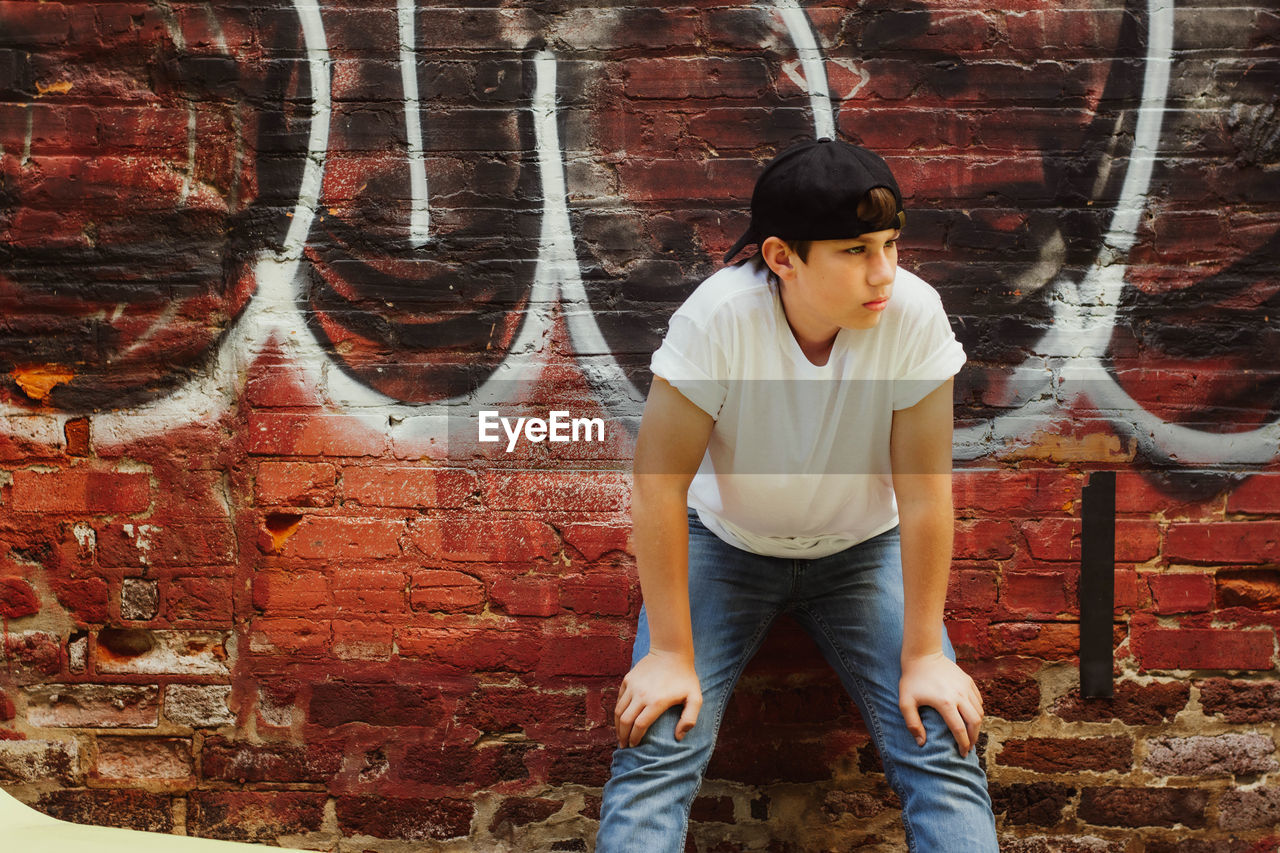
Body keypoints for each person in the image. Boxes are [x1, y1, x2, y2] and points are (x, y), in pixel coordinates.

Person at [594, 138, 999, 851]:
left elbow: (928, 494)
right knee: (658, 739)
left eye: (891, 243)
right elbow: (659, 485)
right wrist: (672, 655)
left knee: (941, 737)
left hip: (862, 552)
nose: (885, 272)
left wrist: (926, 653)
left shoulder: (912, 313)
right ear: (782, 257)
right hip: (724, 547)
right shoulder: (719, 318)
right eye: (854, 251)